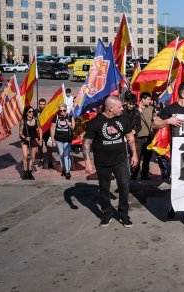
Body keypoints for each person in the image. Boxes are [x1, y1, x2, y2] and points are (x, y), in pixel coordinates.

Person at [83, 96, 138, 227]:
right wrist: (88, 162)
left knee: (124, 186)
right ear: (110, 108)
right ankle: (107, 214)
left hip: (121, 160)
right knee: (104, 188)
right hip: (102, 162)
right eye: (119, 107)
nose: (122, 109)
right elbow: (86, 143)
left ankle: (124, 214)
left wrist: (134, 154)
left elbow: (130, 138)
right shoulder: (95, 122)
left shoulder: (123, 119)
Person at [153, 82, 184, 229]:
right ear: (183, 94)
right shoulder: (171, 108)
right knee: (179, 184)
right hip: (177, 155)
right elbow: (155, 124)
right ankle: (177, 207)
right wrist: (168, 121)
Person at [132, 92, 155, 180]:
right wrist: (138, 111)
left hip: (149, 137)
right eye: (148, 99)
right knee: (136, 157)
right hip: (138, 137)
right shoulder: (134, 109)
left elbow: (154, 120)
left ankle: (144, 174)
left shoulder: (152, 108)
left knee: (147, 158)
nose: (150, 101)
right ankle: (134, 174)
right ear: (143, 99)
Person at [51, 105, 75, 180]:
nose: (62, 112)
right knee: (61, 155)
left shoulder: (70, 116)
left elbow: (73, 127)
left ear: (66, 110)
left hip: (67, 140)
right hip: (58, 139)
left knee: (66, 155)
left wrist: (68, 123)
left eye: (64, 110)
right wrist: (53, 140)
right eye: (60, 110)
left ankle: (67, 172)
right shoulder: (56, 117)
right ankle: (64, 169)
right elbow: (52, 128)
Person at [19, 106, 42, 180]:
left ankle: (30, 172)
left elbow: (40, 130)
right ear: (26, 113)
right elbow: (20, 133)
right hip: (25, 140)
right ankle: (25, 172)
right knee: (25, 156)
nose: (32, 113)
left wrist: (40, 140)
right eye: (30, 112)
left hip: (33, 140)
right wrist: (25, 137)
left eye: (32, 111)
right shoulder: (23, 121)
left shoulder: (36, 120)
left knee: (32, 157)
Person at [34, 98, 54, 169]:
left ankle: (50, 161)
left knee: (49, 147)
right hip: (39, 132)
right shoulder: (35, 111)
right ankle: (40, 160)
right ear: (38, 104)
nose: (42, 106)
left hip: (47, 132)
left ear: (45, 104)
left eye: (43, 104)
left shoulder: (48, 111)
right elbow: (34, 121)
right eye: (40, 104)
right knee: (40, 146)